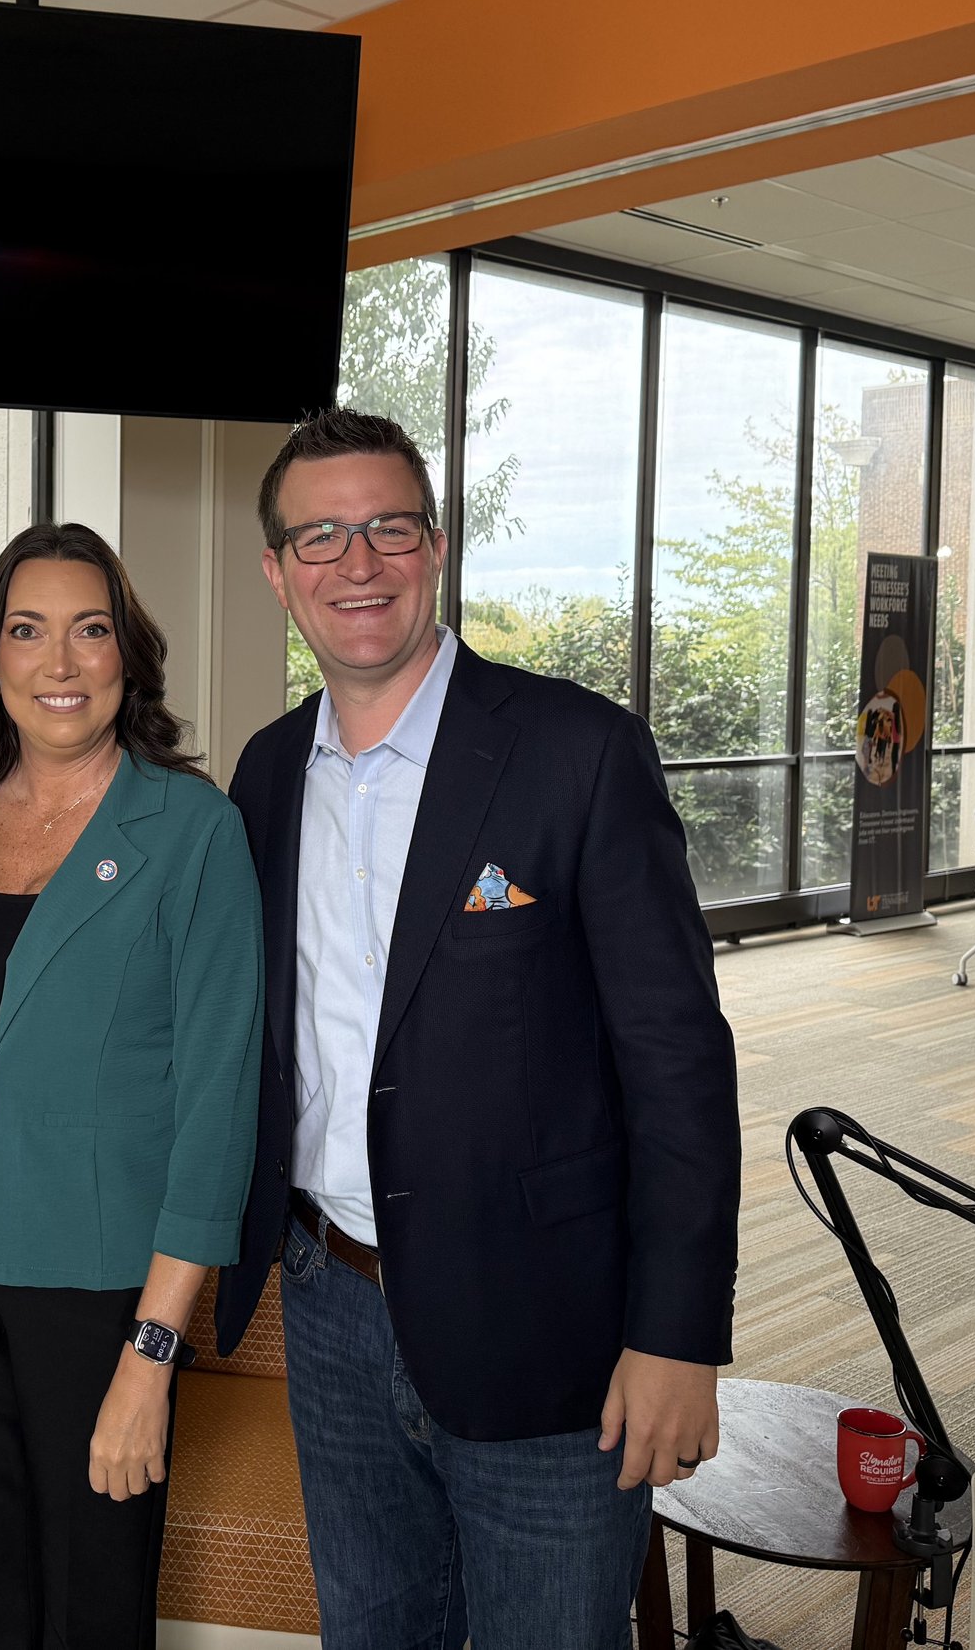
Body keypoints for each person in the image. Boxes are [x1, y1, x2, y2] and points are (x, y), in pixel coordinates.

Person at [214, 410, 742, 1650]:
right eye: (322, 537)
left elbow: (676, 1064)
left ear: (435, 547)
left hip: (544, 1319)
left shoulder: (575, 751)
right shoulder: (266, 773)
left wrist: (675, 1335)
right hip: (330, 1301)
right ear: (276, 571)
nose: (358, 563)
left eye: (388, 528)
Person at [0, 521, 263, 1649]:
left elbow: (218, 1102)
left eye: (90, 630)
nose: (59, 661)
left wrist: (152, 1353)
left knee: (93, 1595)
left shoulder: (191, 831)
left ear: (126, 657)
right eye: (26, 631)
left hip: (103, 1285)